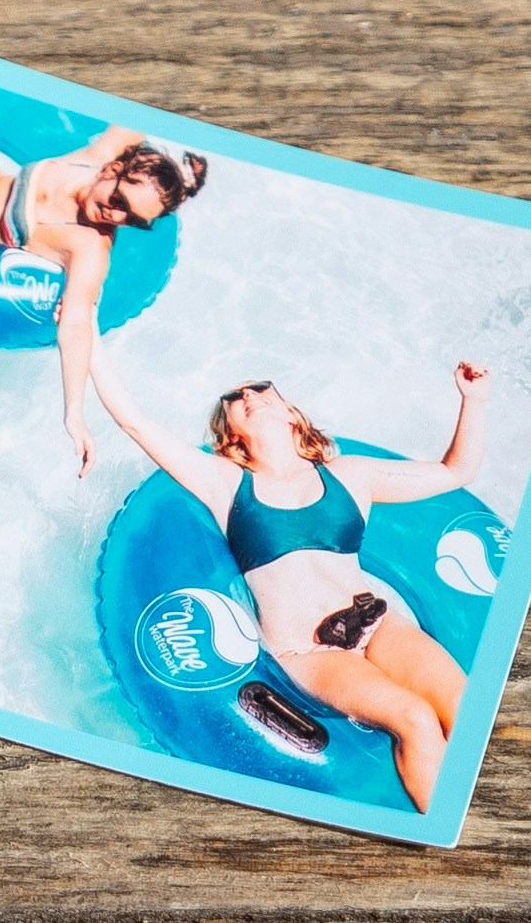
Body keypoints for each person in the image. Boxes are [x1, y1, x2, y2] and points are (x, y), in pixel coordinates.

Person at [89, 346, 490, 814]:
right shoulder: (225, 483)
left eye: (260, 387)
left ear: (289, 412)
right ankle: (445, 834)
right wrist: (85, 331)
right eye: (234, 398)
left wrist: (473, 399)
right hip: (309, 651)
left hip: (380, 623)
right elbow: (134, 422)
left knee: (465, 704)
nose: (248, 395)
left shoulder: (350, 475)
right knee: (415, 719)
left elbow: (454, 471)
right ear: (230, 432)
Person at [0, 110, 212, 468]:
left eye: (134, 221)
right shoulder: (94, 158)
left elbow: (76, 324)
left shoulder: (89, 246)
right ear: (111, 171)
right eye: (121, 202)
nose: (118, 217)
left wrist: (74, 414)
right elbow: (136, 112)